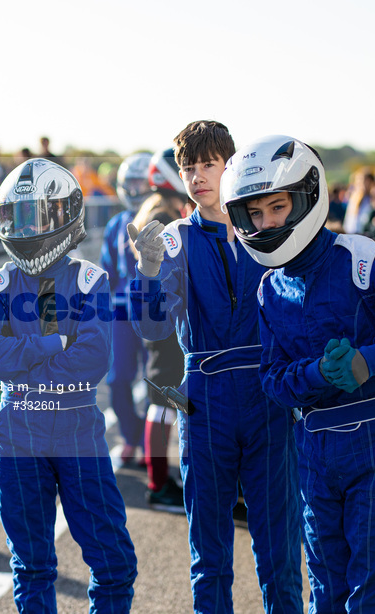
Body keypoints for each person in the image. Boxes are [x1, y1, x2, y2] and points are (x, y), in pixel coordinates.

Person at [222, 134, 375, 613]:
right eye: (255, 213)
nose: (267, 222)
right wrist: (316, 373)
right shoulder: (270, 289)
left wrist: (370, 359)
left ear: (307, 196)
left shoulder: (360, 258)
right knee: (326, 589)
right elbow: (272, 379)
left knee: (371, 592)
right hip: (312, 451)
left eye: (278, 207)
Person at [128, 121, 302, 612]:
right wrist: (145, 272)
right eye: (188, 168)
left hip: (269, 395)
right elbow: (152, 329)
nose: (199, 176)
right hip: (204, 402)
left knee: (279, 550)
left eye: (208, 164)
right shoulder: (176, 240)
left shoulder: (266, 230)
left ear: (230, 164)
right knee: (209, 553)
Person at [0, 158, 137, 612]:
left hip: (76, 433)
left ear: (64, 214)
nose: (26, 228)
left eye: (36, 216)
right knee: (31, 566)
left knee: (113, 564)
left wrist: (24, 355)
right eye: (18, 217)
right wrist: (51, 343)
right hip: (19, 436)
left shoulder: (90, 281)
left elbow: (90, 361)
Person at [131, 189, 188, 513]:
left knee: (159, 403)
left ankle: (160, 480)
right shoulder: (163, 220)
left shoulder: (147, 214)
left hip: (153, 316)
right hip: (164, 320)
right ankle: (158, 484)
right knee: (163, 406)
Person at [100, 152, 152, 466]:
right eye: (130, 183)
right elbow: (107, 273)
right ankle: (131, 437)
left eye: (140, 182)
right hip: (120, 312)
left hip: (155, 312)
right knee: (117, 378)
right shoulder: (116, 224)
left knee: (157, 381)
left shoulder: (165, 220)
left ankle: (150, 441)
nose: (134, 190)